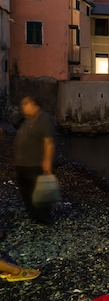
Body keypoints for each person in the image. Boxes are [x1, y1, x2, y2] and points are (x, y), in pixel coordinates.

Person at [14, 95, 56, 225]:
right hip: (22, 164)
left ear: (34, 105)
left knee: (40, 193)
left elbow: (48, 141)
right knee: (26, 191)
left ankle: (43, 219)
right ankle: (33, 215)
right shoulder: (27, 120)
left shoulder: (43, 119)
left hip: (35, 163)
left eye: (26, 104)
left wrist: (47, 161)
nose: (23, 107)